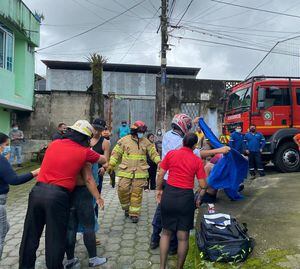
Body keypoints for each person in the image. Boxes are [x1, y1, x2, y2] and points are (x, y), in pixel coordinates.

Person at [19, 120, 107, 269]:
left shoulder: (54, 144)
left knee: (30, 235)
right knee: (55, 238)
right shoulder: (84, 152)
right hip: (57, 197)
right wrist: (92, 150)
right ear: (86, 138)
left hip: (36, 192)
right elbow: (103, 160)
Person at [150, 114, 230, 252]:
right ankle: (172, 247)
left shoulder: (168, 135)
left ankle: (155, 239)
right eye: (188, 127)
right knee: (172, 216)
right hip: (174, 183)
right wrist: (219, 150)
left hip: (166, 179)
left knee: (162, 211)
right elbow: (197, 153)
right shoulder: (179, 143)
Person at [156, 133, 207, 269]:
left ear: (183, 142)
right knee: (183, 237)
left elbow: (161, 174)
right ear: (195, 145)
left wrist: (159, 190)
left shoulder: (172, 154)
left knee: (166, 233)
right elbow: (203, 184)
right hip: (185, 198)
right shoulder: (196, 160)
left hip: (169, 195)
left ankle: (162, 267)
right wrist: (199, 195)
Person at [108, 121, 161, 223]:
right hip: (125, 171)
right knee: (122, 190)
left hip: (140, 172)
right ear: (134, 131)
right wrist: (111, 164)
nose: (142, 133)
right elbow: (116, 153)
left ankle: (134, 214)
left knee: (137, 193)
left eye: (143, 132)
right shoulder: (124, 140)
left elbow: (153, 153)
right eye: (140, 131)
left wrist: (159, 161)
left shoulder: (146, 142)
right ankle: (126, 208)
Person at [0, 133, 39, 260]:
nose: (7, 148)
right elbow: (14, 180)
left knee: (5, 227)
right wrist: (35, 172)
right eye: (6, 145)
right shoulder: (1, 160)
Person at [65, 164, 107, 268]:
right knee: (88, 227)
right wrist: (98, 197)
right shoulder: (83, 152)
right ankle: (93, 259)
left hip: (67, 191)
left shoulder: (61, 151)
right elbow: (88, 178)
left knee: (70, 229)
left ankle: (70, 260)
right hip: (82, 192)